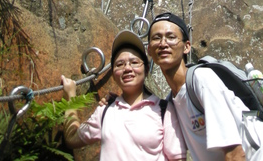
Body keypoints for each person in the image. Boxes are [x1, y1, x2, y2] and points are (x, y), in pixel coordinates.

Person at [147, 12, 263, 161]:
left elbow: (235, 153)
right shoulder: (172, 103)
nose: (163, 43)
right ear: (149, 50)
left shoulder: (201, 79)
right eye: (156, 38)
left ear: (187, 47)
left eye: (171, 37)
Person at [61, 29, 187, 161]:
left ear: (146, 68)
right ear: (114, 74)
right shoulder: (105, 110)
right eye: (120, 64)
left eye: (134, 62)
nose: (127, 68)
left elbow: (177, 158)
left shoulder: (164, 110)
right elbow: (72, 138)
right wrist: (70, 95)